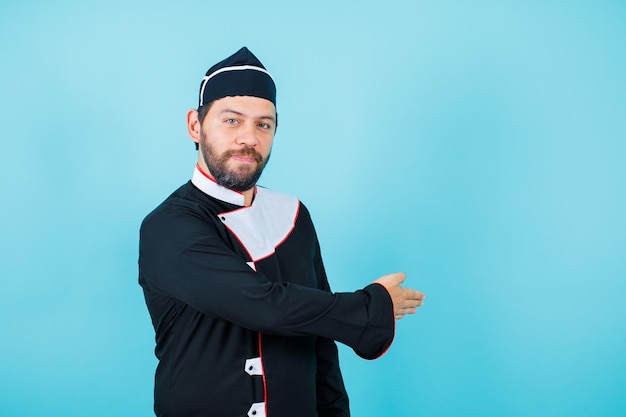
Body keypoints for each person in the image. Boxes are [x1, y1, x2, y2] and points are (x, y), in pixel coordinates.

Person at [138, 46, 425, 417]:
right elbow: (263, 304)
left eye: (264, 124)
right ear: (195, 125)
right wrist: (370, 308)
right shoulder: (168, 227)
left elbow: (320, 347)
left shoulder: (293, 214)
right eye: (231, 121)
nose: (249, 138)